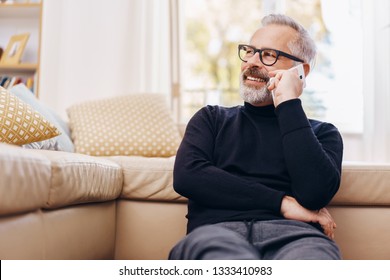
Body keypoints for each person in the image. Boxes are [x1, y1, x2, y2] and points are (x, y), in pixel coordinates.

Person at [169, 14, 343, 260]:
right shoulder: (211, 119)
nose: (251, 62)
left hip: (296, 237)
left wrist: (289, 103)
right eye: (250, 51)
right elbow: (188, 176)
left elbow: (314, 194)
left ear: (301, 71)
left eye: (268, 55)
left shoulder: (324, 134)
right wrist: (282, 203)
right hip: (216, 234)